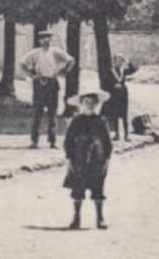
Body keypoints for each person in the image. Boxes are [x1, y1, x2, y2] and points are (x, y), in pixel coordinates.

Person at [63, 91, 113, 230]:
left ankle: (100, 218)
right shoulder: (76, 121)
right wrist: (69, 159)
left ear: (97, 104)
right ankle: (76, 218)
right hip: (79, 158)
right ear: (81, 104)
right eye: (86, 102)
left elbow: (107, 142)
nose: (89, 105)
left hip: (97, 158)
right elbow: (68, 141)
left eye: (92, 103)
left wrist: (107, 160)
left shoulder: (100, 121)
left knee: (98, 186)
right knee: (78, 187)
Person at [20, 31, 75, 148]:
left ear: (51, 40)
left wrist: (62, 71)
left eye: (48, 38)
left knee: (52, 113)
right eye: (43, 38)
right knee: (37, 113)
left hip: (52, 83)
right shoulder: (35, 53)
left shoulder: (56, 52)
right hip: (39, 84)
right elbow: (22, 63)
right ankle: (34, 141)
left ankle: (52, 141)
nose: (45, 40)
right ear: (39, 40)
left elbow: (71, 60)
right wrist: (31, 75)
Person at [104, 55, 139, 141]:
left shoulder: (123, 71)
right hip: (114, 95)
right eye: (117, 61)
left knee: (124, 115)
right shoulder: (110, 71)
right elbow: (106, 84)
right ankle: (117, 135)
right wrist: (113, 85)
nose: (119, 62)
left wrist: (127, 61)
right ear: (114, 61)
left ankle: (126, 135)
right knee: (115, 115)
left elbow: (134, 69)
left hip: (123, 94)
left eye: (121, 61)